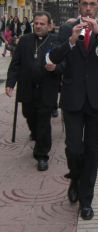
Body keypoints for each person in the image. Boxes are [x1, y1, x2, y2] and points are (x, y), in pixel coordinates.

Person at [49, 0, 98, 221]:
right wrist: (70, 41)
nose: (88, 9)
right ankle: (76, 179)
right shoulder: (66, 30)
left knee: (92, 151)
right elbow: (55, 59)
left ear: (97, 7)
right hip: (73, 99)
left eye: (92, 5)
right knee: (74, 148)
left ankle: (86, 200)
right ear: (78, 6)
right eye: (84, 4)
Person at [5, 11, 62, 171]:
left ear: (49, 26)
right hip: (27, 88)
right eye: (36, 23)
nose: (38, 26)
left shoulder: (56, 42)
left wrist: (56, 67)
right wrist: (10, 82)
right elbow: (15, 63)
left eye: (42, 23)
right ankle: (37, 136)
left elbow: (64, 66)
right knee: (29, 116)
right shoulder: (24, 41)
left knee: (44, 122)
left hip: (47, 89)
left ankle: (42, 155)